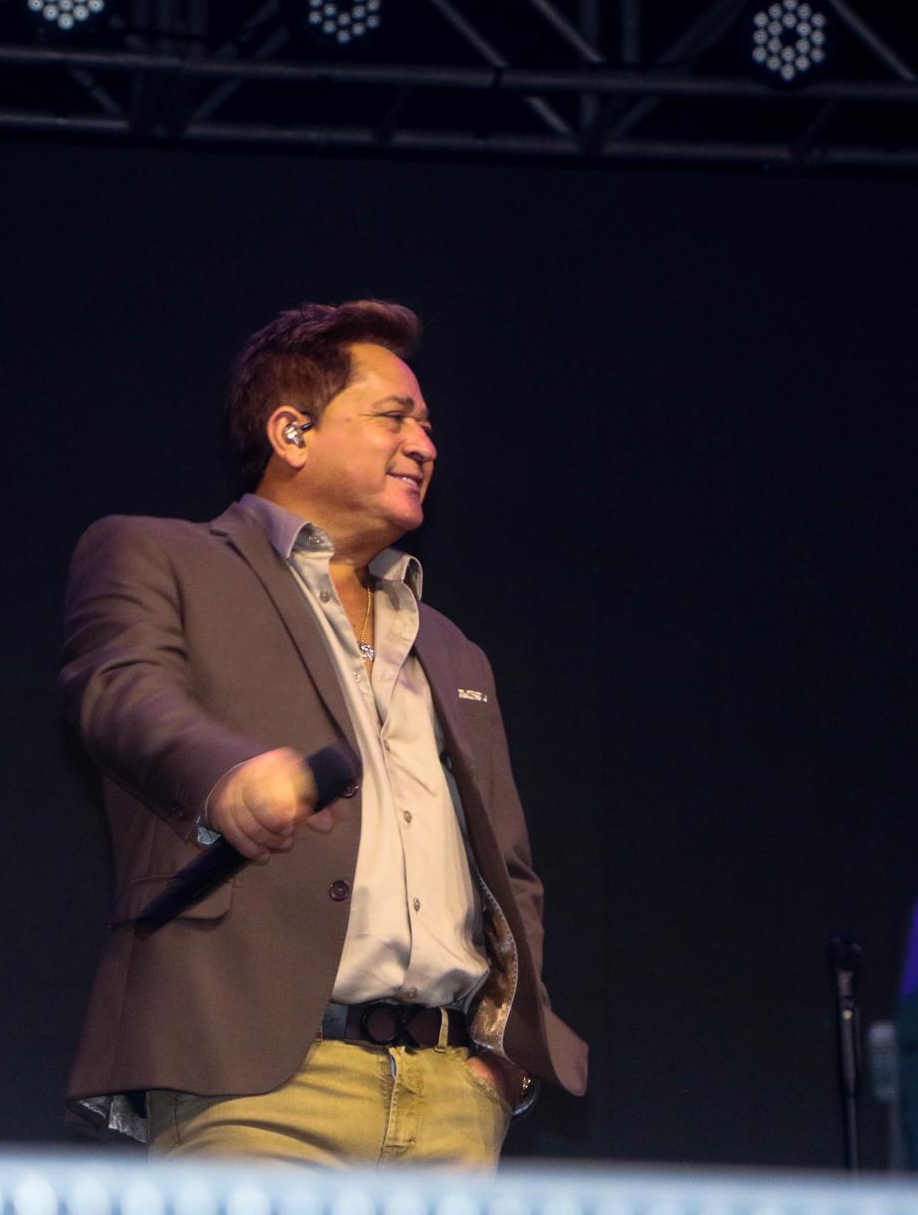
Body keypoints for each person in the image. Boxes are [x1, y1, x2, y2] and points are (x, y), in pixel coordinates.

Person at [59, 299, 586, 1167]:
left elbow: (509, 870)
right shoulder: (159, 556)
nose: (424, 445)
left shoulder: (451, 645)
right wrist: (227, 777)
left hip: (452, 1102)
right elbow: (119, 691)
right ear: (292, 432)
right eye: (394, 417)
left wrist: (498, 1058)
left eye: (427, 425)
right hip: (255, 1087)